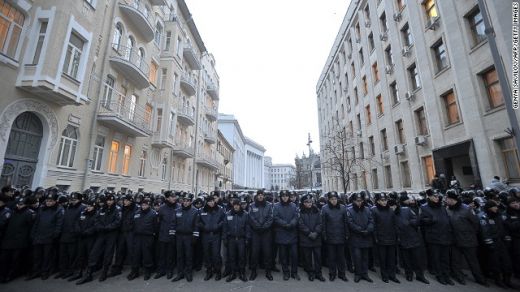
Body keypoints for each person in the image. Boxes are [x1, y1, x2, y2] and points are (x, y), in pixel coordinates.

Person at [445, 189, 488, 286]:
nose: (445, 200)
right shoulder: (447, 210)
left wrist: (470, 233)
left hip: (468, 239)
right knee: (456, 261)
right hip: (455, 240)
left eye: (447, 199)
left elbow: (475, 223)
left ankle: (479, 278)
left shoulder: (466, 209)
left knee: (473, 261)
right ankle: (459, 276)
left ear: (452, 199)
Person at [76, 192, 122, 284]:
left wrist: (108, 227)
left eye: (111, 200)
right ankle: (89, 274)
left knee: (108, 254)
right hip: (101, 234)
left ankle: (104, 272)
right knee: (94, 252)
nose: (109, 202)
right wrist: (100, 227)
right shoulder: (102, 209)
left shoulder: (117, 209)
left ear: (114, 201)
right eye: (108, 200)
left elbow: (117, 222)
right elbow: (96, 220)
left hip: (111, 235)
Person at [419, 190, 453, 285]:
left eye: (438, 196)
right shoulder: (424, 207)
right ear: (429, 197)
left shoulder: (442, 207)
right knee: (436, 258)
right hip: (433, 237)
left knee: (445, 258)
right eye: (434, 196)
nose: (437, 198)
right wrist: (432, 220)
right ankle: (439, 275)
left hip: (445, 236)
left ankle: (446, 275)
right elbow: (422, 220)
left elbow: (447, 219)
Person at [28, 191, 64, 280]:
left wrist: (55, 235)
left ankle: (45, 272)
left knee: (46, 256)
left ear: (55, 201)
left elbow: (59, 224)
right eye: (47, 200)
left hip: (49, 237)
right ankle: (36, 271)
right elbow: (37, 222)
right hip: (38, 236)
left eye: (51, 201)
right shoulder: (42, 208)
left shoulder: (59, 210)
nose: (49, 202)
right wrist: (33, 233)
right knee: (37, 256)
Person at [395, 192, 429, 284]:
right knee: (406, 259)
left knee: (417, 258)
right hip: (403, 238)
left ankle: (420, 275)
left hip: (413, 237)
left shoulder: (408, 210)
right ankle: (409, 274)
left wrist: (410, 222)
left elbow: (416, 220)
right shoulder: (395, 212)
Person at [479, 200, 514, 288]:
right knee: (496, 263)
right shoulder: (484, 217)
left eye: (496, 206)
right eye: (494, 207)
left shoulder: (500, 216)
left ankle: (507, 280)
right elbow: (485, 232)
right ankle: (498, 280)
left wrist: (507, 238)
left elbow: (505, 228)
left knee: (507, 262)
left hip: (502, 243)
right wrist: (489, 243)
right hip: (493, 243)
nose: (496, 208)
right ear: (489, 208)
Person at [0, 197, 34, 283]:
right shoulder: (12, 212)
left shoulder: (29, 213)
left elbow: (30, 227)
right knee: (4, 259)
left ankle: (10, 275)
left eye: (21, 204)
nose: (19, 206)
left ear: (26, 205)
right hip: (8, 239)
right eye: (18, 204)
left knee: (14, 260)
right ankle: (2, 275)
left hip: (19, 241)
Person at [127, 198, 158, 281]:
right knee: (136, 254)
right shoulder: (137, 213)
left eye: (145, 205)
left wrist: (152, 234)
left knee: (147, 254)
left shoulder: (153, 214)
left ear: (149, 205)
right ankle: (135, 271)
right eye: (142, 205)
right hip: (137, 237)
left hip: (147, 237)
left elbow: (156, 227)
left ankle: (148, 271)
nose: (143, 206)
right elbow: (133, 224)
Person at [371, 192, 399, 283]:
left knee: (391, 258)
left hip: (391, 238)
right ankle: (384, 275)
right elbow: (374, 225)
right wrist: (375, 237)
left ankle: (392, 275)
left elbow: (394, 223)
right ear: (378, 201)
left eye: (385, 200)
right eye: (382, 200)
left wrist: (396, 235)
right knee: (383, 259)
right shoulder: (374, 210)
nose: (384, 202)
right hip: (381, 238)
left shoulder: (390, 210)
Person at [171, 192, 199, 282]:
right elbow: (173, 224)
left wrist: (195, 236)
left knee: (188, 255)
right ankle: (180, 273)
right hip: (179, 236)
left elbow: (196, 225)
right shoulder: (177, 210)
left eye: (188, 201)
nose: (185, 202)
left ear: (191, 202)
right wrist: (172, 235)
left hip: (189, 237)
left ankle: (188, 273)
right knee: (179, 256)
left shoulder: (195, 211)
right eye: (184, 201)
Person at [321, 191, 349, 282]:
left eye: (335, 199)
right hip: (330, 237)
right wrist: (324, 235)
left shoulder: (343, 208)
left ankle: (342, 274)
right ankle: (332, 274)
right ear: (329, 200)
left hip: (341, 236)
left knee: (341, 257)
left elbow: (345, 222)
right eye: (332, 199)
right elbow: (323, 223)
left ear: (337, 199)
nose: (334, 201)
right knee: (331, 257)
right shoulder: (325, 209)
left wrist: (347, 234)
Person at [346, 192, 374, 283]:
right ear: (354, 201)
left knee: (365, 257)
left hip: (366, 237)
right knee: (357, 257)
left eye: (361, 201)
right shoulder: (349, 210)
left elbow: (371, 221)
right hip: (356, 238)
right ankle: (358, 274)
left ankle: (365, 274)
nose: (359, 202)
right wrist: (360, 230)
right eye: (357, 201)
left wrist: (368, 229)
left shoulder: (367, 209)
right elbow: (350, 223)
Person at [56, 192, 85, 279]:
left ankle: (70, 271)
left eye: (75, 200)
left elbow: (81, 222)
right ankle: (62, 271)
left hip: (74, 235)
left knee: (72, 255)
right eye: (71, 199)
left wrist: (76, 231)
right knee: (63, 255)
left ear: (79, 200)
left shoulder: (83, 208)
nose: (72, 201)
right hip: (65, 234)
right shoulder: (69, 207)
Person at [248, 189, 274, 281]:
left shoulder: (269, 205)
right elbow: (251, 217)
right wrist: (258, 226)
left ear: (264, 196)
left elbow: (270, 218)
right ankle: (253, 271)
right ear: (256, 196)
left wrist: (264, 227)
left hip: (266, 233)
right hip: (256, 233)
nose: (260, 196)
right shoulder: (252, 205)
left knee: (267, 253)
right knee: (254, 253)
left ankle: (268, 272)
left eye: (261, 195)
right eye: (258, 195)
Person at [273, 190, 300, 281]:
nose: (285, 197)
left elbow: (296, 217)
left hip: (292, 233)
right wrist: (285, 224)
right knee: (283, 256)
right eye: (283, 196)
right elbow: (275, 217)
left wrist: (291, 224)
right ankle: (286, 272)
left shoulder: (293, 205)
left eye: (286, 196)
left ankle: (294, 272)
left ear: (289, 197)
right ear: (280, 197)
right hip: (281, 233)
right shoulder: (276, 206)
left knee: (295, 255)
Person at [69, 197, 97, 282]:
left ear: (94, 207)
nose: (88, 207)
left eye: (91, 206)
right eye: (88, 205)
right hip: (81, 237)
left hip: (90, 239)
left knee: (90, 256)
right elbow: (77, 222)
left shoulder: (96, 214)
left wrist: (86, 232)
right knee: (80, 255)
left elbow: (95, 226)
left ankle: (88, 274)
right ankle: (78, 272)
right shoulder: (83, 213)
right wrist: (78, 230)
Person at [109, 194, 137, 278]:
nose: (124, 202)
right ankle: (117, 268)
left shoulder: (136, 209)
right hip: (122, 232)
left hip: (131, 233)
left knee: (132, 252)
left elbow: (136, 222)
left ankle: (134, 270)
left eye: (126, 200)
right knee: (119, 251)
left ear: (131, 201)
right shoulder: (122, 208)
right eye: (124, 200)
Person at [298, 194, 325, 282]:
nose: (309, 204)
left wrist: (316, 232)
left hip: (316, 238)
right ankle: (310, 273)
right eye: (307, 202)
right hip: (306, 238)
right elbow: (300, 224)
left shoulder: (317, 210)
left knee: (318, 257)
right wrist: (309, 233)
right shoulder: (300, 211)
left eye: (310, 202)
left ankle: (318, 273)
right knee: (308, 257)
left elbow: (320, 223)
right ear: (303, 203)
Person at [198, 193, 225, 281]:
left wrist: (218, 226)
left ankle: (218, 271)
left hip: (216, 235)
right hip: (205, 235)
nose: (212, 203)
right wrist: (204, 226)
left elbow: (223, 220)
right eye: (209, 201)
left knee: (216, 254)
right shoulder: (202, 210)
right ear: (207, 202)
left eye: (213, 201)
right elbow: (199, 222)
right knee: (207, 254)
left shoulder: (220, 209)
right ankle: (209, 271)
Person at [223, 197, 250, 282]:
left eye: (238, 205)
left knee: (242, 257)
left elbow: (248, 227)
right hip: (231, 239)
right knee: (232, 257)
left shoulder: (245, 214)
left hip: (241, 239)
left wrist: (247, 239)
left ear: (240, 206)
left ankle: (242, 273)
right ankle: (233, 273)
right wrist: (225, 238)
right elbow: (225, 227)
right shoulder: (228, 214)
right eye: (234, 205)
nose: (236, 206)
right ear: (232, 205)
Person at [154, 190, 177, 279]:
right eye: (172, 196)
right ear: (167, 198)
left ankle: (169, 270)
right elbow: (158, 222)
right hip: (163, 234)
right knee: (161, 254)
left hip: (173, 235)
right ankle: (161, 271)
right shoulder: (162, 208)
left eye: (174, 196)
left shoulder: (178, 207)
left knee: (170, 254)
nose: (174, 198)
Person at [504, 196, 520, 279]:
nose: (516, 204)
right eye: (513, 203)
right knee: (517, 257)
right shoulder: (507, 214)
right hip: (516, 239)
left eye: (517, 202)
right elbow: (510, 226)